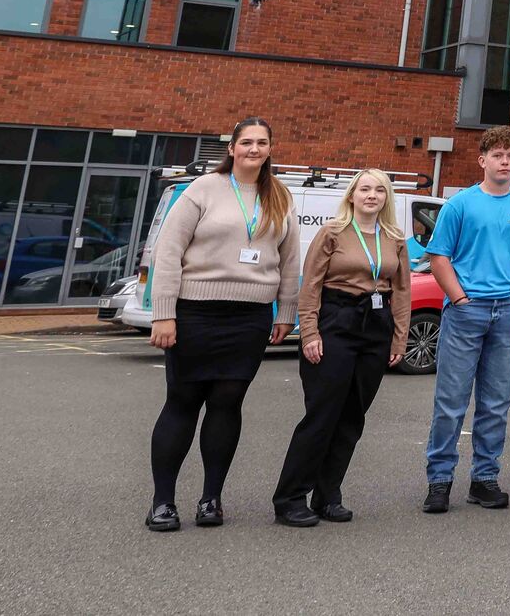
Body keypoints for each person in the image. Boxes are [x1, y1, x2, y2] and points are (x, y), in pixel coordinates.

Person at [144, 117, 299, 531]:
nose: (254, 149)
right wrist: (164, 313)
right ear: (231, 148)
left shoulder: (280, 196)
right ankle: (163, 502)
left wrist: (285, 313)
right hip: (196, 313)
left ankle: (211, 499)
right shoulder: (203, 189)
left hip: (248, 319)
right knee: (183, 403)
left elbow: (289, 262)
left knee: (227, 404)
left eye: (261, 142)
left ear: (269, 149)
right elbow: (168, 250)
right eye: (246, 142)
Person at [271, 169, 412, 527]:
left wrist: (399, 337)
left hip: (374, 327)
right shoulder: (332, 232)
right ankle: (289, 498)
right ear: (352, 195)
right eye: (365, 189)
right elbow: (311, 284)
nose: (372, 195)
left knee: (352, 418)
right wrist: (309, 333)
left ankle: (327, 496)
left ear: (386, 198)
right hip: (336, 320)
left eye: (380, 190)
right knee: (322, 415)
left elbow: (403, 292)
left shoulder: (394, 237)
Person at [421, 126, 510, 513]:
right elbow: (439, 256)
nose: (504, 162)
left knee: (495, 402)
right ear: (483, 160)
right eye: (498, 156)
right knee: (451, 402)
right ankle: (439, 481)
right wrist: (459, 298)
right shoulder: (461, 205)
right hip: (466, 311)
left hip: (506, 312)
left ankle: (484, 479)